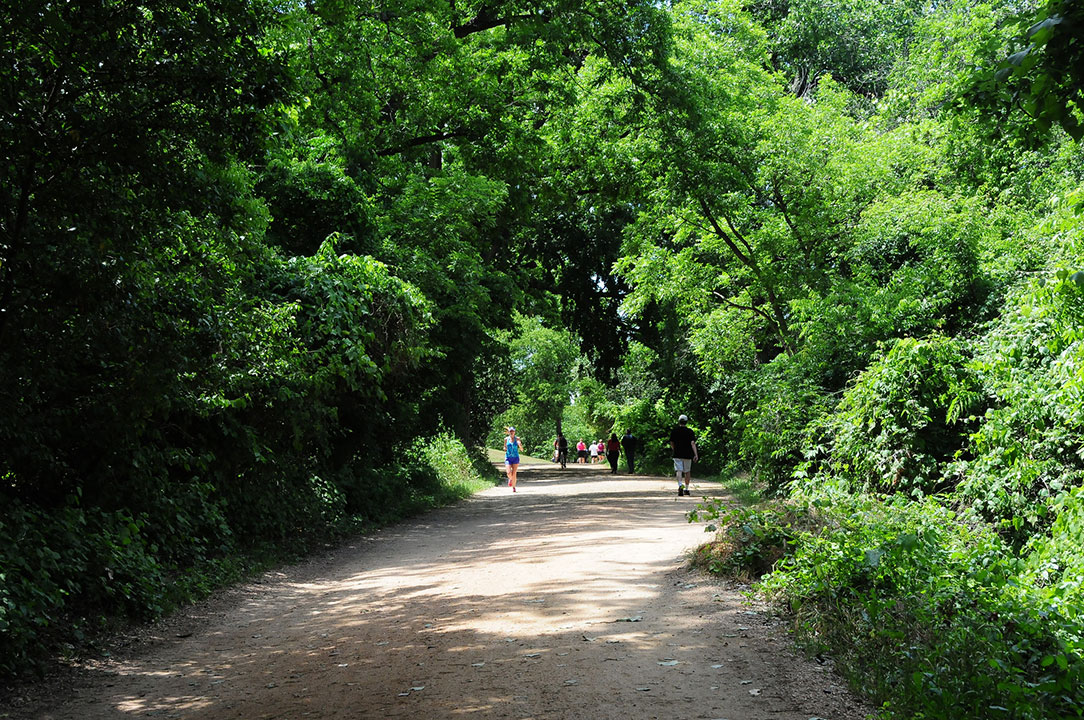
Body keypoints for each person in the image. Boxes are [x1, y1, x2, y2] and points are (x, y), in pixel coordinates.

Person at [669, 414, 698, 496]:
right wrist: (695, 454)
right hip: (688, 454)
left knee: (679, 470)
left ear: (679, 421)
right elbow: (693, 443)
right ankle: (687, 488)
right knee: (687, 471)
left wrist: (674, 449)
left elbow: (671, 442)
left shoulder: (674, 431)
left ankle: (680, 485)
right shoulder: (690, 431)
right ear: (686, 422)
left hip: (677, 453)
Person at [505, 426, 523, 492]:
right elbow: (504, 447)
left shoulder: (517, 439)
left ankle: (514, 487)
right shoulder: (506, 439)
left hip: (515, 457)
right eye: (510, 431)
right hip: (508, 457)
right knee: (508, 472)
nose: (512, 432)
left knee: (514, 473)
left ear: (514, 432)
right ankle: (511, 479)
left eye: (513, 431)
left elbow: (521, 449)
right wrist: (505, 448)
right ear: (509, 432)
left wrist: (520, 445)